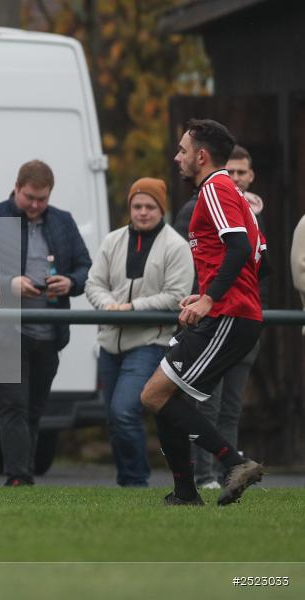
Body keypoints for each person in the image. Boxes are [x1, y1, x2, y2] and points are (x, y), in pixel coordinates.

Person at [140, 119, 266, 507]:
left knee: (154, 395)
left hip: (228, 315)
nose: (177, 157)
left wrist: (211, 299)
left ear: (201, 155)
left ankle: (234, 463)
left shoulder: (215, 188)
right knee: (160, 397)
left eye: (182, 150)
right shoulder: (229, 193)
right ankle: (185, 493)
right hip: (225, 311)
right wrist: (203, 294)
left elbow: (241, 248)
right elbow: (254, 254)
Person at [0, 160, 92, 486]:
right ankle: (18, 477)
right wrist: (8, 284)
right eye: (29, 197)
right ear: (17, 188)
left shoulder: (62, 222)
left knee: (34, 407)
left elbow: (86, 267)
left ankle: (23, 472)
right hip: (4, 332)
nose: (35, 205)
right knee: (13, 405)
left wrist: (70, 282)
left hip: (49, 331)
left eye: (42, 199)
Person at [85, 178, 193, 487]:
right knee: (113, 418)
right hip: (109, 341)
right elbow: (93, 283)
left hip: (149, 341)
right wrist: (109, 306)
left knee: (124, 411)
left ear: (162, 209)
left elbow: (177, 295)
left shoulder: (176, 246)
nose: (143, 212)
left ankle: (135, 481)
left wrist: (132, 308)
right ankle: (126, 482)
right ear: (130, 208)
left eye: (150, 206)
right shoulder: (112, 241)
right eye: (137, 206)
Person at [188, 145, 267, 490]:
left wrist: (216, 295)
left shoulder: (250, 214)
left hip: (238, 313)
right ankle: (204, 475)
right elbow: (193, 258)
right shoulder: (201, 204)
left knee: (230, 406)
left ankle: (228, 473)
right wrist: (205, 296)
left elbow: (254, 259)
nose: (234, 178)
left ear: (251, 177)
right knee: (203, 401)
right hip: (216, 313)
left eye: (241, 173)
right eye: (229, 172)